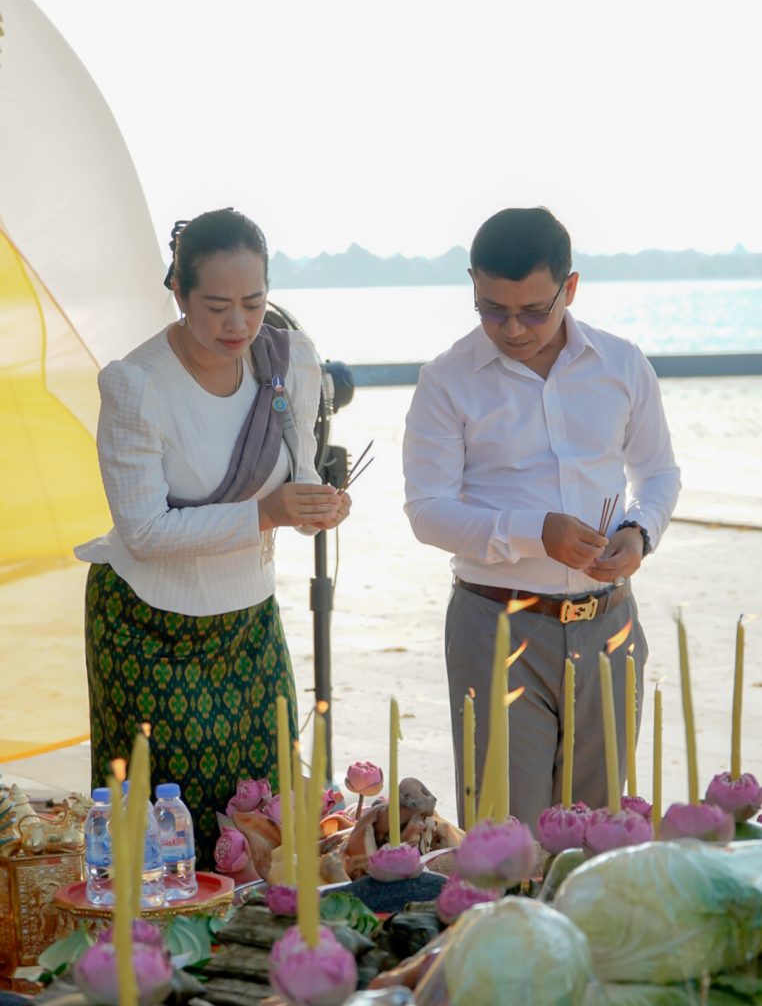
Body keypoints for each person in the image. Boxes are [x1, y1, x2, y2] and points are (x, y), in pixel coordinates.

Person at [75, 208, 350, 866]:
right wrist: (267, 513)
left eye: (254, 303)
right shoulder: (136, 383)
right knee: (171, 830)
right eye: (218, 306)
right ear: (178, 291)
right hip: (149, 626)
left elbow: (297, 477)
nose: (239, 325)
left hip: (247, 620)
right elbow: (144, 531)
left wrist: (317, 504)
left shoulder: (288, 360)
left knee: (266, 814)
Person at [403, 207, 680, 831]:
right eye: (492, 309)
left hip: (610, 623)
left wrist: (640, 532)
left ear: (570, 288)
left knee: (597, 838)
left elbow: (658, 472)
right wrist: (536, 532)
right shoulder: (445, 381)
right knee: (507, 842)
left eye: (532, 311)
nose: (513, 328)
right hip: (496, 625)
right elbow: (427, 512)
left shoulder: (622, 363)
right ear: (472, 285)